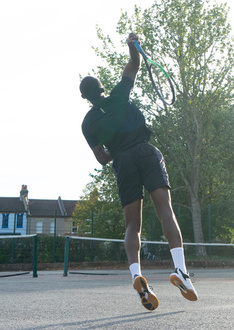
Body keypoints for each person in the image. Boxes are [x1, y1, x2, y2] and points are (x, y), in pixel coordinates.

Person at [80, 32, 197, 311]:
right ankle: (181, 271)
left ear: (84, 97)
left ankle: (137, 275)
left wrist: (118, 151)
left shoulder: (87, 124)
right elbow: (133, 64)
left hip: (123, 161)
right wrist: (133, 45)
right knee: (165, 211)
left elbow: (101, 159)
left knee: (133, 224)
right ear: (102, 87)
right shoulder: (119, 95)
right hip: (146, 152)